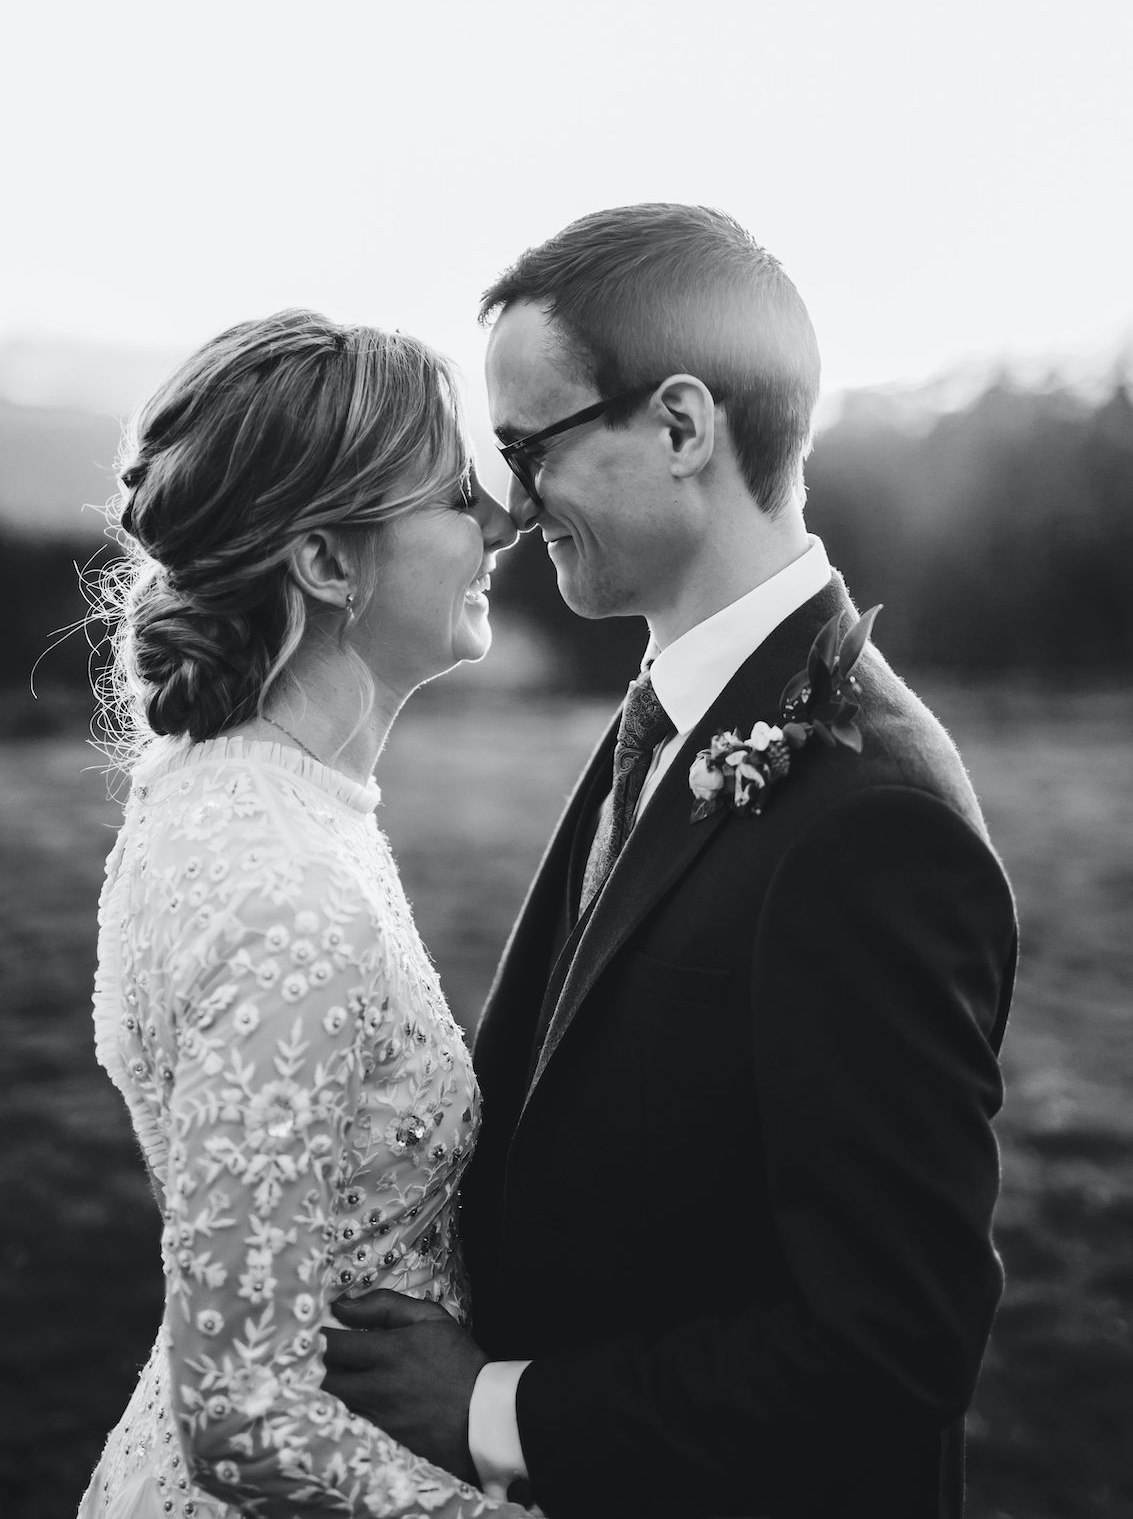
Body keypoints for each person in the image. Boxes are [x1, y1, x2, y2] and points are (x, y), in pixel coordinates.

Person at [320, 205, 1019, 1519]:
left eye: (531, 449)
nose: (512, 506)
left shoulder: (874, 826)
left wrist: (490, 1409)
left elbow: (890, 1348)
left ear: (684, 427)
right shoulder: (674, 706)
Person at [77, 311, 536, 1518]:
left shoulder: (244, 798)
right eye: (453, 496)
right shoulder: (285, 886)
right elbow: (241, 1414)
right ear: (329, 565)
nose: (499, 522)